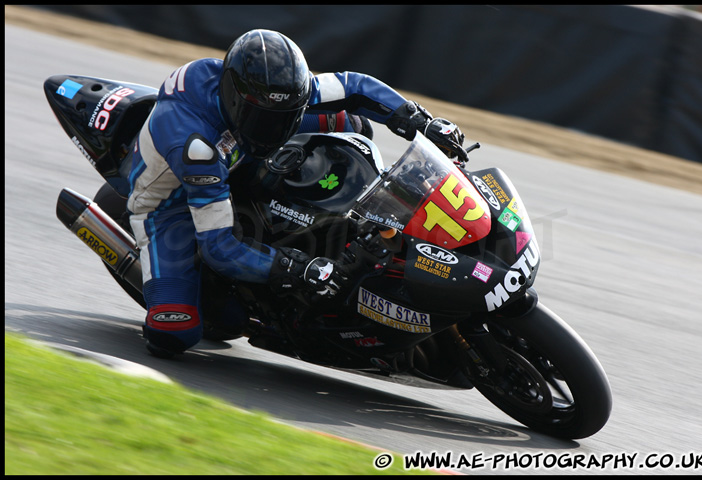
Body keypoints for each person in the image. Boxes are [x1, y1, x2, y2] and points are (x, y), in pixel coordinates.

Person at [126, 28, 465, 358]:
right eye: (268, 120)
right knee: (175, 333)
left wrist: (419, 120)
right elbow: (219, 246)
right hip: (172, 203)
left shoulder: (271, 90)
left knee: (352, 122)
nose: (279, 132)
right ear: (236, 100)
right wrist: (294, 268)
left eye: (287, 116)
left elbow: (353, 86)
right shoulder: (195, 147)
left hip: (239, 145)